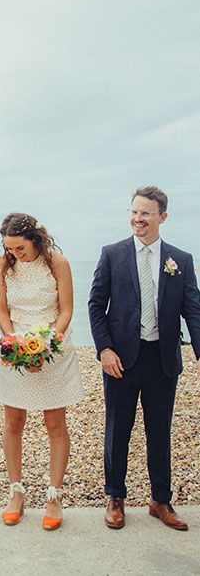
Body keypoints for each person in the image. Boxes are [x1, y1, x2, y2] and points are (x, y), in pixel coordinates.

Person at [89, 186, 200, 531]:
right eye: (134, 212)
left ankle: (160, 501)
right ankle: (115, 497)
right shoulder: (112, 254)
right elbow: (96, 305)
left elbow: (193, 310)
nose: (138, 219)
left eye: (146, 213)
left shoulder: (180, 260)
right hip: (121, 359)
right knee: (117, 430)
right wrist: (104, 349)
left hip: (163, 359)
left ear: (162, 217)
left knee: (159, 432)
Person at [0, 213, 84, 530]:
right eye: (9, 248)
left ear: (35, 239)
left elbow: (67, 309)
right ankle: (16, 492)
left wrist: (46, 345)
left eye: (19, 248)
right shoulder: (1, 265)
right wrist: (15, 343)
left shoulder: (58, 263)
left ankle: (54, 496)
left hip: (52, 349)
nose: (15, 254)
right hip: (15, 350)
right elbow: (2, 312)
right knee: (13, 421)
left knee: (55, 423)